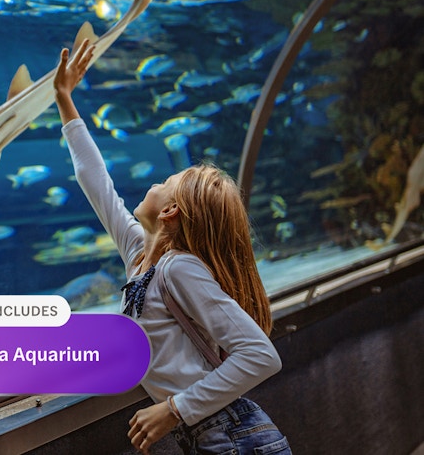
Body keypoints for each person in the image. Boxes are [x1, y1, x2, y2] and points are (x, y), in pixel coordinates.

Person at [53, 39, 291, 455]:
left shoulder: (179, 268)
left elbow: (260, 355)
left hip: (233, 436)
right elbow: (96, 181)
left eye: (165, 183)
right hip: (211, 436)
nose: (155, 182)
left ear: (170, 211)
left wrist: (174, 409)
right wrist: (63, 98)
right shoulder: (139, 257)